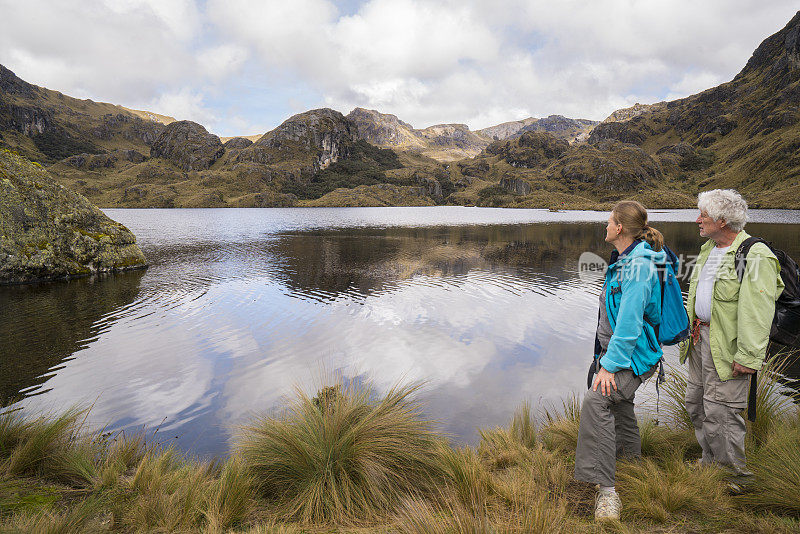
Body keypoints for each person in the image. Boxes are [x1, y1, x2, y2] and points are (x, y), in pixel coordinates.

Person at [681, 189, 783, 483]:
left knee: (722, 412)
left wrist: (749, 357)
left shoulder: (753, 254)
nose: (697, 220)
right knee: (697, 402)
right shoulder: (708, 248)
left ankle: (734, 478)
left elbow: (757, 311)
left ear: (722, 220)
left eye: (703, 215)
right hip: (700, 341)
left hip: (727, 348)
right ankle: (709, 463)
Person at [575, 200, 666, 520]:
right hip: (617, 354)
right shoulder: (626, 258)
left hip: (631, 357)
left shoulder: (638, 265)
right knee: (621, 406)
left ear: (619, 228)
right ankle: (631, 466)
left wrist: (610, 366)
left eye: (609, 221)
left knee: (596, 402)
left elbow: (629, 324)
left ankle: (608, 492)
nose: (605, 226)